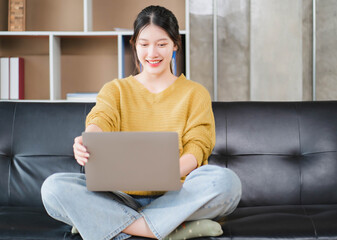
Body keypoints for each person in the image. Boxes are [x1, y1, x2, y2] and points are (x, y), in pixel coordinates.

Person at [41, 5, 242, 240]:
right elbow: (101, 119)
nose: (152, 53)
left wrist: (162, 175)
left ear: (176, 44)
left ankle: (109, 223)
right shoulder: (115, 89)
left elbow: (198, 148)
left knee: (227, 183)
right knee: (53, 188)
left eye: (162, 44)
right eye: (144, 44)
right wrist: (89, 140)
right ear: (134, 44)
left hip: (176, 196)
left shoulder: (195, 93)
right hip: (120, 197)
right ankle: (168, 230)